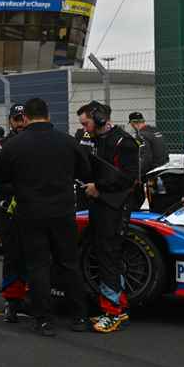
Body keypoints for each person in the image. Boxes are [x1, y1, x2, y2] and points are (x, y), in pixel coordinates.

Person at [0, 98, 91, 336]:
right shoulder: (68, 141)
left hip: (30, 212)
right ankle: (79, 316)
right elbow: (85, 171)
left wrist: (16, 189)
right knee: (69, 263)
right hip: (64, 211)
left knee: (38, 265)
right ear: (48, 115)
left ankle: (44, 319)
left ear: (25, 117)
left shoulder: (14, 145)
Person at [76, 101, 139, 333]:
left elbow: (129, 177)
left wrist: (98, 187)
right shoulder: (94, 140)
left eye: (86, 123)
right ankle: (118, 308)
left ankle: (112, 312)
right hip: (99, 205)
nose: (84, 128)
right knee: (103, 255)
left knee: (109, 256)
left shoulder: (124, 141)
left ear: (100, 118)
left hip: (115, 207)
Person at [0, 104, 29, 320]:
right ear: (11, 121)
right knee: (13, 254)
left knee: (35, 253)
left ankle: (34, 295)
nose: (20, 122)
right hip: (9, 205)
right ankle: (12, 300)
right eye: (17, 118)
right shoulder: (1, 146)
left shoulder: (36, 141)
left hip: (33, 205)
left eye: (23, 117)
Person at [128, 112, 167, 209]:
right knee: (161, 203)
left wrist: (138, 176)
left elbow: (145, 158)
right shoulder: (156, 131)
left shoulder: (141, 135)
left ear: (133, 123)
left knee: (153, 204)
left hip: (152, 174)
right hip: (164, 170)